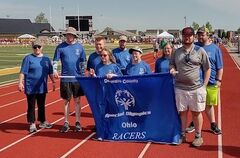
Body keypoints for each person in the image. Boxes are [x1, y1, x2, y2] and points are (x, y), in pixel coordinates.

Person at [170, 27, 211, 147]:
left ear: (193, 37)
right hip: (180, 88)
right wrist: (172, 69)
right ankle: (182, 135)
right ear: (182, 36)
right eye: (185, 35)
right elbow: (172, 63)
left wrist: (204, 85)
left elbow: (207, 68)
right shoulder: (176, 51)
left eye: (189, 35)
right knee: (182, 113)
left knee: (196, 113)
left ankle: (198, 136)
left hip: (196, 88)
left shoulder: (200, 50)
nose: (187, 37)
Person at [186, 27, 223, 135]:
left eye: (203, 34)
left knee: (209, 105)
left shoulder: (215, 49)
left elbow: (220, 67)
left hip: (211, 82)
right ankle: (195, 123)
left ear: (208, 35)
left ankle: (212, 124)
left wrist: (219, 80)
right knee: (196, 104)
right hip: (197, 82)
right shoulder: (194, 47)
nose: (201, 36)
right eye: (199, 34)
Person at [53, 27, 86, 133]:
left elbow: (83, 62)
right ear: (65, 35)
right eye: (67, 34)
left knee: (77, 101)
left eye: (71, 34)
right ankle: (66, 122)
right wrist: (54, 71)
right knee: (66, 101)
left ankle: (77, 122)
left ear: (74, 36)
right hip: (65, 78)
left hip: (77, 79)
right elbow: (55, 60)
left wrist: (82, 72)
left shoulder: (80, 47)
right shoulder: (60, 47)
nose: (69, 36)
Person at [18, 39, 55, 133]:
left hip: (42, 86)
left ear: (42, 47)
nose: (37, 49)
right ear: (32, 48)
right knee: (31, 105)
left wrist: (53, 82)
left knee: (41, 105)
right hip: (31, 86)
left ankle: (42, 121)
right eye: (35, 47)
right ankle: (32, 123)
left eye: (39, 47)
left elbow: (50, 72)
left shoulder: (46, 59)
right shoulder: (28, 58)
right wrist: (20, 82)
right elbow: (23, 72)